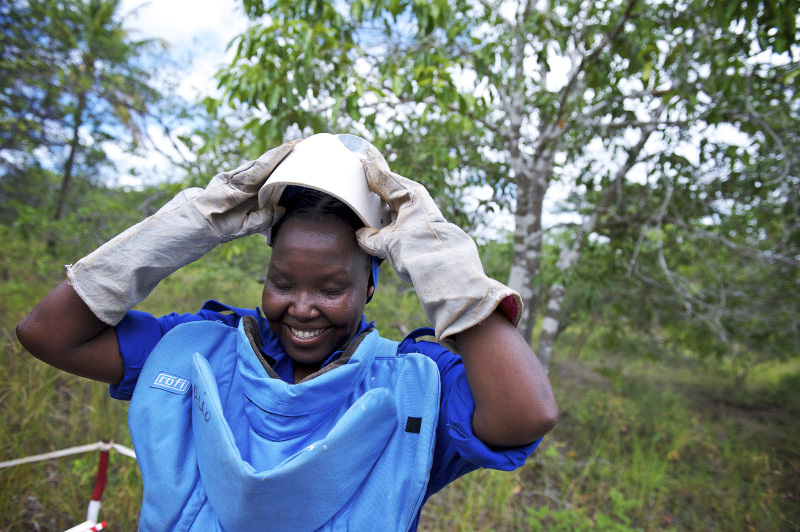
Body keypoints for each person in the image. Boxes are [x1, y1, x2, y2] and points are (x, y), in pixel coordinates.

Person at [16, 133, 558, 531]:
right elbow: (48, 334)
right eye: (282, 282)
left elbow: (524, 415)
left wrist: (441, 263)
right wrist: (196, 220)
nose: (301, 308)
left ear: (369, 287)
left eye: (330, 288)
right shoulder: (200, 350)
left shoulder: (412, 384)